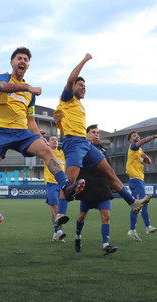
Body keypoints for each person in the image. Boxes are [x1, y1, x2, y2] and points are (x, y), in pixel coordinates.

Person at [0, 47, 84, 228]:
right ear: (12, 63)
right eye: (19, 58)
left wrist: (39, 135)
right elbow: (2, 88)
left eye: (26, 59)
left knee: (46, 150)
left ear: (28, 65)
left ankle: (65, 187)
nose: (22, 61)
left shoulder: (30, 95)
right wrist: (28, 87)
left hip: (21, 133)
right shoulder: (4, 78)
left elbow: (30, 120)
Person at [54, 54, 151, 215]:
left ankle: (133, 203)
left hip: (84, 144)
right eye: (80, 85)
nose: (84, 87)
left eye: (85, 85)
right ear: (73, 87)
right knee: (69, 183)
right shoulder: (67, 99)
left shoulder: (79, 105)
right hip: (73, 143)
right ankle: (60, 215)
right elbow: (70, 79)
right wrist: (84, 60)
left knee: (109, 173)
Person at [73, 126, 118, 255]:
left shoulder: (104, 150)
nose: (96, 135)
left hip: (102, 188)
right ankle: (77, 237)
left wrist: (113, 184)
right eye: (93, 132)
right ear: (87, 135)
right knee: (82, 216)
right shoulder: (82, 148)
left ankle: (106, 245)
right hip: (87, 188)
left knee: (106, 215)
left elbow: (109, 170)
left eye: (98, 133)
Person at [125, 130, 157, 241]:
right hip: (135, 180)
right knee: (141, 204)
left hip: (138, 180)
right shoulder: (133, 147)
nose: (136, 136)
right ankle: (147, 227)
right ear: (130, 140)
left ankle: (134, 230)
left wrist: (146, 158)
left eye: (137, 134)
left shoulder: (139, 150)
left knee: (138, 205)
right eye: (133, 135)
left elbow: (148, 162)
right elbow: (143, 141)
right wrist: (155, 135)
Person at [44, 136, 69, 242]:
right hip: (51, 184)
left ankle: (56, 233)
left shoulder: (62, 153)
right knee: (55, 208)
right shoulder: (47, 152)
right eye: (52, 139)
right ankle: (59, 232)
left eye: (56, 139)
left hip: (62, 184)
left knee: (60, 211)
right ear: (48, 143)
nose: (55, 140)